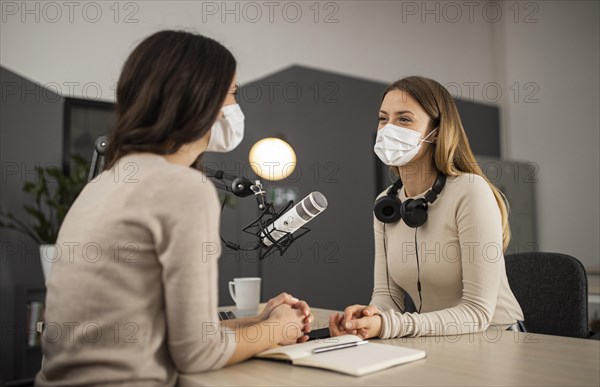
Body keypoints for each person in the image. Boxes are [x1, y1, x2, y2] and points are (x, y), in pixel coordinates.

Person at [36, 30, 313, 386]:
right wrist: (278, 328)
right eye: (232, 95)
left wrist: (259, 322)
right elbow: (198, 354)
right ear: (197, 99)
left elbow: (166, 336)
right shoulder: (183, 189)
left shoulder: (101, 185)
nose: (235, 108)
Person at [329, 76, 524, 339]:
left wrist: (389, 326)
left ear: (437, 131)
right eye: (383, 118)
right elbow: (388, 296)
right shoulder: (387, 202)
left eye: (404, 119)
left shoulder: (470, 190)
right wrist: (369, 318)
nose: (388, 128)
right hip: (435, 340)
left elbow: (477, 312)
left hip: (497, 338)